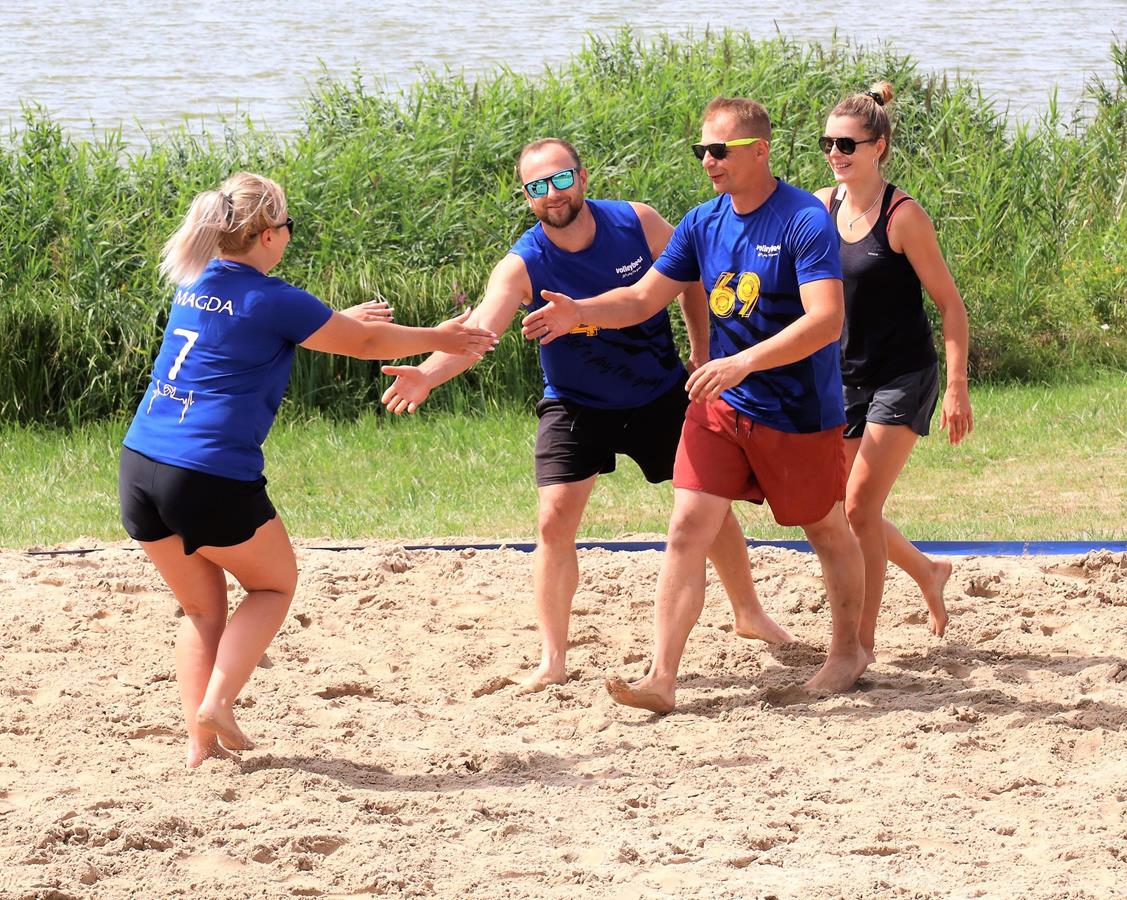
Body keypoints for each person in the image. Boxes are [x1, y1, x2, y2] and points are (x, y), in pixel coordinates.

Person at [381, 138, 793, 694]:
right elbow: (480, 332)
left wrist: (702, 349)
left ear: (582, 176)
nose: (551, 194)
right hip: (576, 401)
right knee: (553, 521)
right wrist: (428, 374)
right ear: (526, 196)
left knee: (708, 510)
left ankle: (748, 612)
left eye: (560, 179)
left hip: (658, 392)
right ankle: (553, 659)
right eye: (536, 186)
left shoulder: (637, 222)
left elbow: (692, 281)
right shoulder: (523, 263)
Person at [119, 172, 497, 767]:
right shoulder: (276, 300)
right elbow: (365, 345)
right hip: (207, 473)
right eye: (288, 225)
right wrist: (442, 336)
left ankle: (200, 747)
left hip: (140, 466)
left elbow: (254, 329)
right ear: (269, 234)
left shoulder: (196, 281)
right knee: (272, 586)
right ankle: (217, 703)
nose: (289, 235)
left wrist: (333, 318)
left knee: (202, 610)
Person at [523, 99, 869, 712]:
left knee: (824, 527)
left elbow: (826, 321)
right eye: (701, 151)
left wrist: (744, 361)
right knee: (685, 528)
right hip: (720, 403)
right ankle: (662, 678)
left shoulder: (803, 219)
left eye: (720, 150)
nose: (708, 161)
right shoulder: (701, 222)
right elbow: (641, 299)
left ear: (759, 151)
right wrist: (581, 313)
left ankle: (848, 651)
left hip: (796, 409)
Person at [814, 83, 973, 658]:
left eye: (847, 144)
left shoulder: (904, 217)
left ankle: (860, 644)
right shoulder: (821, 206)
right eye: (828, 143)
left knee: (859, 507)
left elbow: (951, 306)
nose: (835, 153)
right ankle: (929, 571)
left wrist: (956, 387)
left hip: (903, 377)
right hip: (843, 377)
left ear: (877, 147)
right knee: (846, 509)